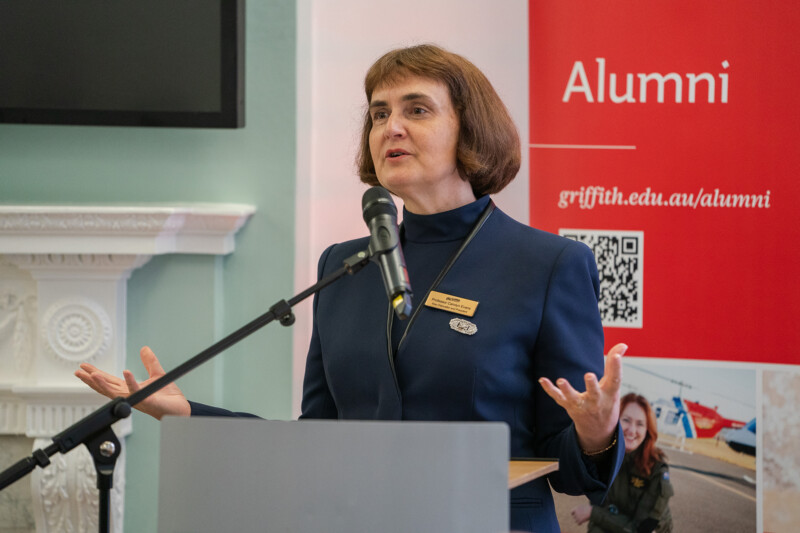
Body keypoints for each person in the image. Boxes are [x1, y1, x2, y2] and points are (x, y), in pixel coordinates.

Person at [76, 44, 627, 532]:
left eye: (417, 109)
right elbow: (318, 440)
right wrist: (188, 414)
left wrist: (597, 433)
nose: (391, 127)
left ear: (471, 129)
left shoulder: (549, 264)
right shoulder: (345, 266)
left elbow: (573, 472)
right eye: (379, 113)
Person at [571, 393, 674, 533]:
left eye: (640, 424)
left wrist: (592, 513)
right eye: (626, 420)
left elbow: (641, 529)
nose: (632, 430)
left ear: (647, 430)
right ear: (614, 420)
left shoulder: (656, 469)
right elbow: (599, 517)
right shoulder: (604, 458)